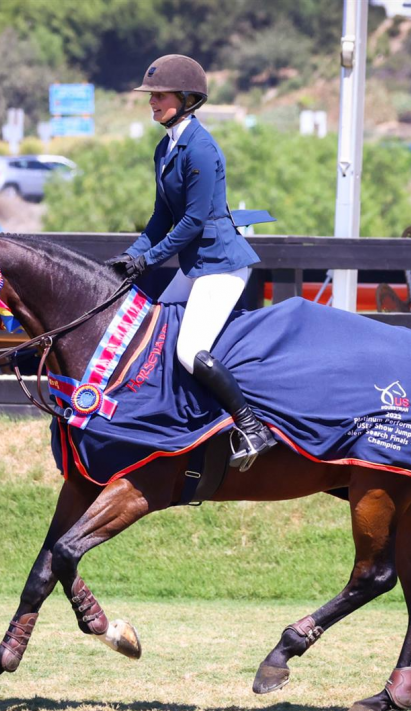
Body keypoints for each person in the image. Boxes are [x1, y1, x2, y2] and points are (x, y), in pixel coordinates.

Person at [107, 54, 277, 470]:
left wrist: (146, 261)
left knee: (188, 350)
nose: (152, 103)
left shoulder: (201, 149)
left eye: (159, 96)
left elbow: (192, 223)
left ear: (186, 98)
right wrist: (130, 256)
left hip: (220, 263)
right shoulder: (165, 147)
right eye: (151, 96)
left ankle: (252, 426)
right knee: (155, 325)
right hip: (196, 263)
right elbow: (162, 217)